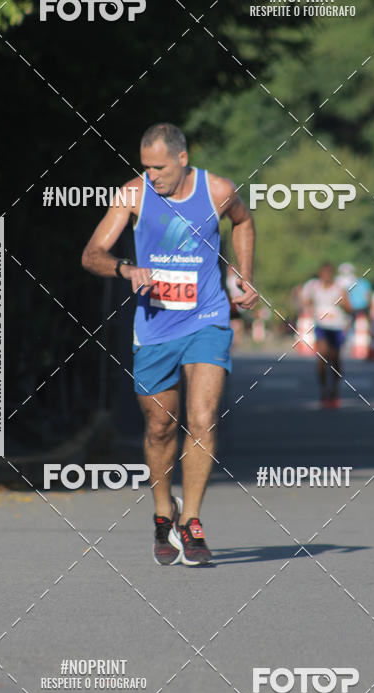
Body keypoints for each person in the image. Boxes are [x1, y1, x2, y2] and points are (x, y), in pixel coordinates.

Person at [81, 123, 257, 565]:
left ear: (182, 159)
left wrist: (243, 274)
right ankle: (164, 514)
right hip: (155, 325)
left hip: (208, 318)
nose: (151, 175)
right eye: (145, 166)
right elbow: (92, 253)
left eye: (158, 166)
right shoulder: (133, 194)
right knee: (160, 426)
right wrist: (126, 269)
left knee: (202, 417)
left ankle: (192, 521)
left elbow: (243, 222)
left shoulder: (217, 190)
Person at [302, 262, 351, 408]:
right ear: (320, 274)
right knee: (322, 356)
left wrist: (342, 306)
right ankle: (323, 391)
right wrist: (310, 308)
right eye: (324, 273)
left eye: (329, 273)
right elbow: (307, 303)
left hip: (336, 327)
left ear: (332, 274)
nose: (326, 276)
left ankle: (335, 391)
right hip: (321, 326)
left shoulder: (339, 289)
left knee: (335, 358)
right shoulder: (314, 288)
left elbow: (349, 307)